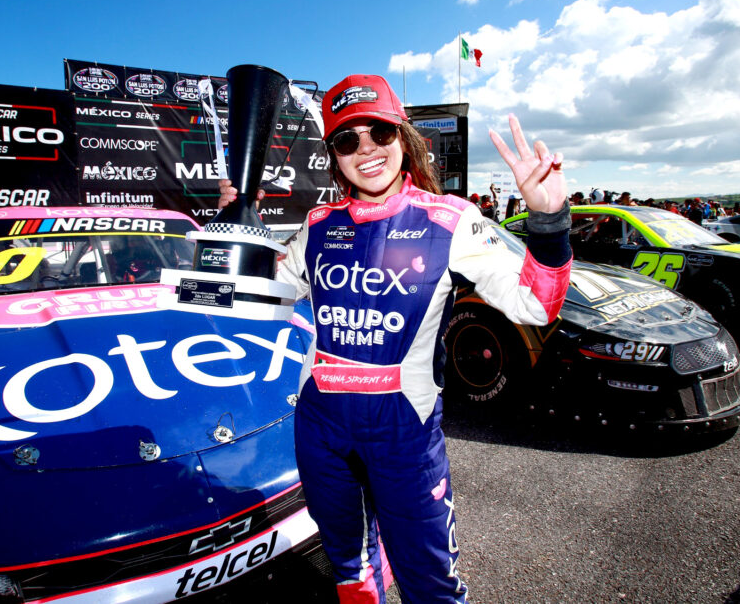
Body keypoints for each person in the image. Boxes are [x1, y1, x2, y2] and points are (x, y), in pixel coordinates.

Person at [219, 74, 571, 603]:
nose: (365, 150)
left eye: (379, 134)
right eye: (346, 140)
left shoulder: (450, 220)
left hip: (404, 430)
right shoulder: (318, 226)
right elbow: (256, 300)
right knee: (349, 566)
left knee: (430, 583)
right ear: (333, 155)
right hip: (321, 425)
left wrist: (548, 220)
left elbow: (537, 304)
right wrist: (237, 225)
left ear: (401, 139)